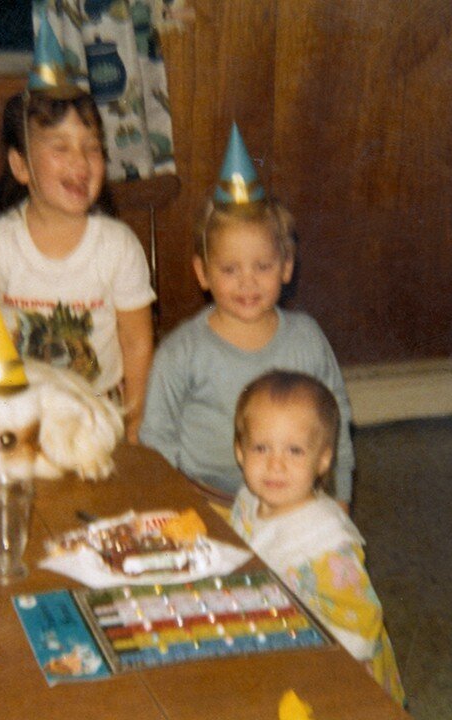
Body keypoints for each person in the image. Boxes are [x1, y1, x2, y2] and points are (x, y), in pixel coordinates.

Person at [0, 14, 155, 442]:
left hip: (97, 417)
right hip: (15, 416)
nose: (81, 163)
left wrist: (134, 429)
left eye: (92, 148)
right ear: (20, 166)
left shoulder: (119, 247)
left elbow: (137, 345)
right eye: (60, 148)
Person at [139, 124, 354, 505]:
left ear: (286, 266)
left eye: (263, 266)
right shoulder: (182, 352)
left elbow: (335, 423)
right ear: (202, 272)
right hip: (205, 497)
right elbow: (157, 439)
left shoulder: (306, 339)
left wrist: (339, 499)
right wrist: (170, 505)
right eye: (229, 270)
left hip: (295, 495)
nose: (247, 283)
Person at [230, 369, 405, 706]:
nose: (275, 465)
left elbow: (361, 624)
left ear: (323, 459)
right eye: (261, 448)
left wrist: (330, 683)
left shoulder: (327, 542)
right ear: (240, 451)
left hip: (334, 670)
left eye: (294, 451)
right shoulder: (248, 500)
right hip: (277, 640)